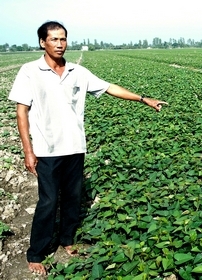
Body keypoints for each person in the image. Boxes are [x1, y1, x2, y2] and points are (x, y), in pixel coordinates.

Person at [8, 21, 168, 276]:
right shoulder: (30, 72)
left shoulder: (77, 71)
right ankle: (36, 252)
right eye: (54, 40)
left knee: (73, 198)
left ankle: (67, 240)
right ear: (42, 42)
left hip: (74, 146)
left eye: (63, 39)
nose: (60, 44)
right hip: (47, 149)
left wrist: (142, 98)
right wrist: (28, 150)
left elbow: (109, 87)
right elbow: (21, 112)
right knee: (48, 202)